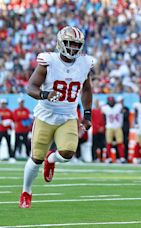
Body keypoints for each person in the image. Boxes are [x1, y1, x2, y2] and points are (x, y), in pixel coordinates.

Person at [19, 26, 95, 208]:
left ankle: (52, 159)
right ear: (61, 43)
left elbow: (86, 88)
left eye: (77, 45)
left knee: (68, 153)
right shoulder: (48, 61)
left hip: (68, 115)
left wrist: (87, 114)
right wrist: (45, 94)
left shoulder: (85, 63)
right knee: (36, 158)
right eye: (70, 44)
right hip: (45, 114)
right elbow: (30, 87)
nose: (73, 48)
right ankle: (26, 191)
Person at [102, 96, 125, 163]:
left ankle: (122, 157)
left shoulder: (119, 106)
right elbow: (103, 117)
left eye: (112, 100)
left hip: (118, 126)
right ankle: (109, 158)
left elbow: (123, 111)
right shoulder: (105, 108)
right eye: (110, 101)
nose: (111, 102)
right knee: (108, 143)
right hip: (109, 126)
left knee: (120, 142)